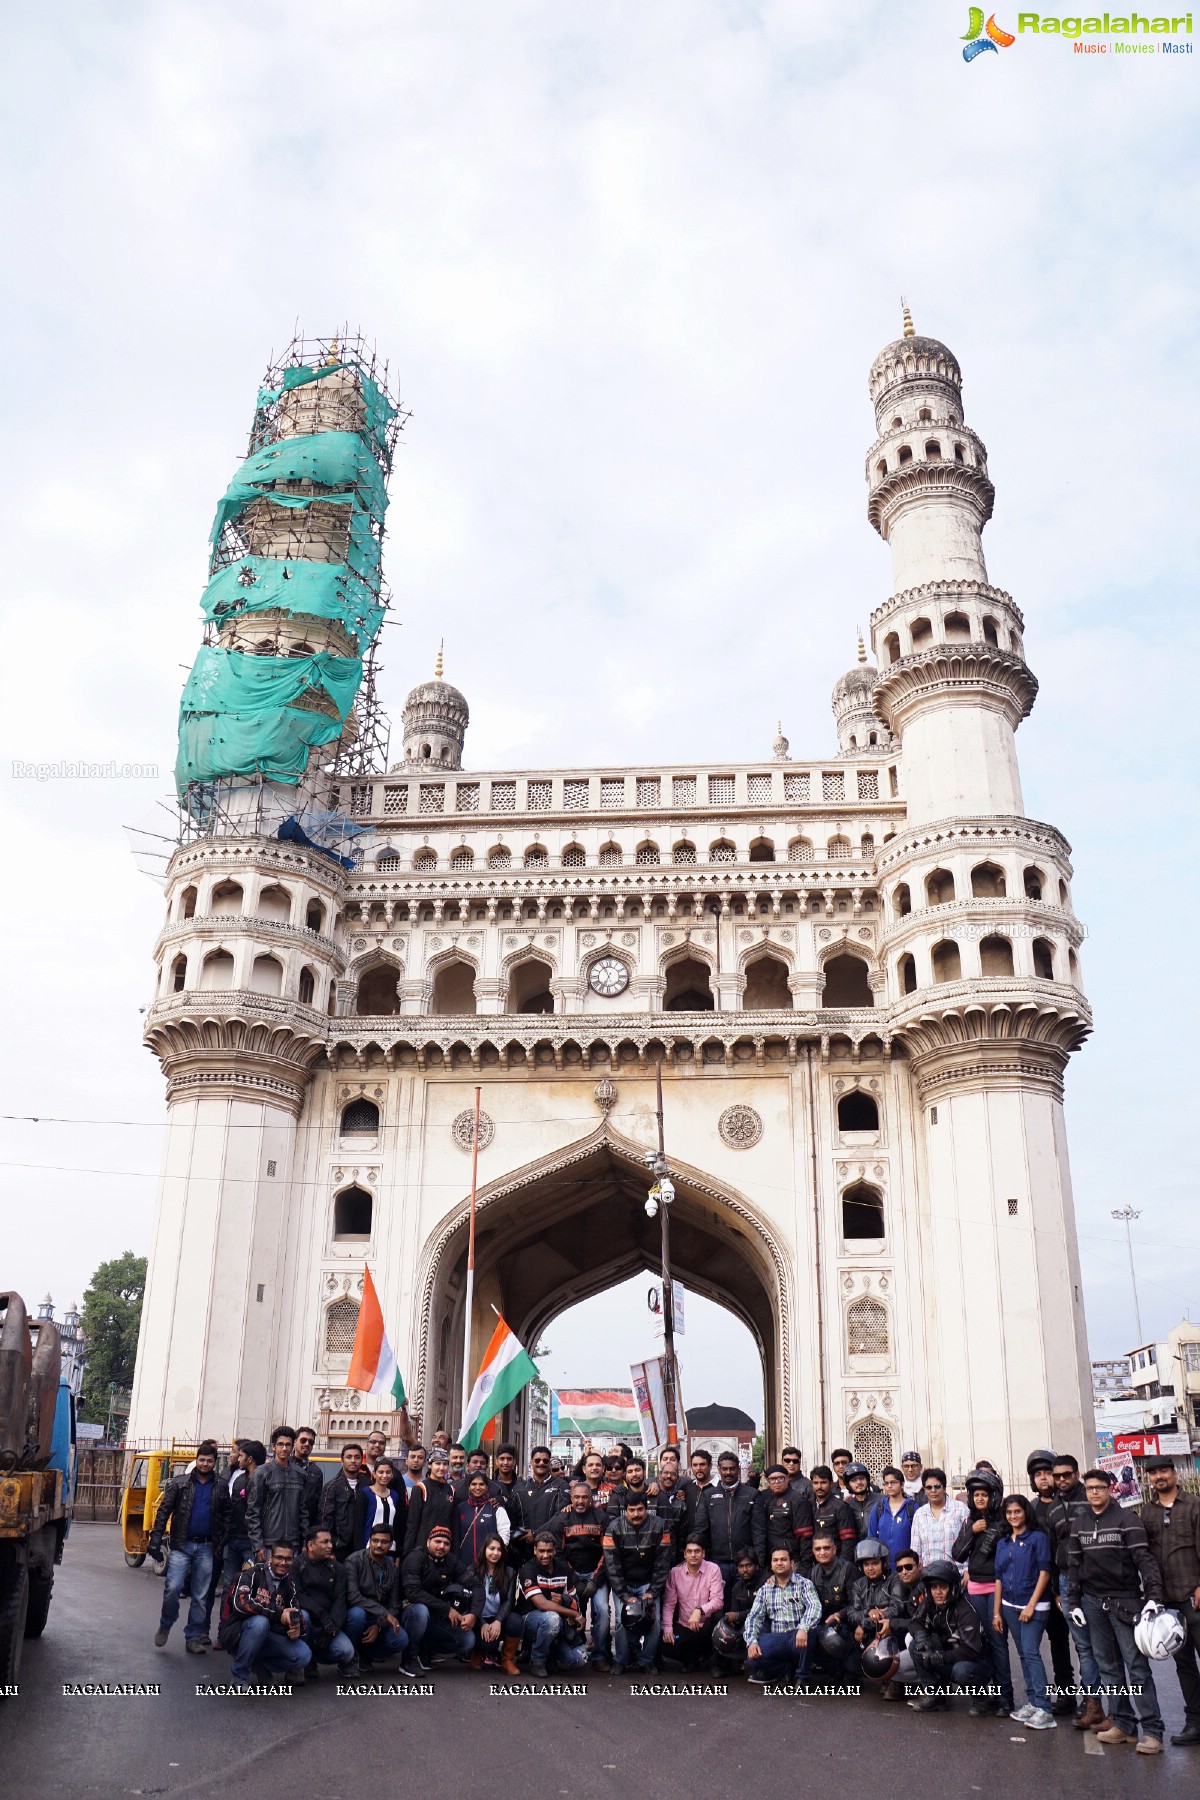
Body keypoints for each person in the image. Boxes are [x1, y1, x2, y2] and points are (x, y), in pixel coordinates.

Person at [1068, 1465, 1166, 1754]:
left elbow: (1144, 1560)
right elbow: (1074, 1566)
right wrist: (1074, 1602)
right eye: (1090, 1488)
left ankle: (1152, 1730)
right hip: (1091, 1603)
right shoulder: (1080, 1523)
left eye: (1099, 1487)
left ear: (1110, 1488)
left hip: (1125, 1602)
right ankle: (1123, 1724)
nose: (1095, 1492)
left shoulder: (1128, 1520)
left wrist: (1153, 1596)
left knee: (1136, 1667)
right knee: (1108, 1668)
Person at [1140, 1453, 1200, 1747]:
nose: (1159, 1477)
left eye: (1163, 1470)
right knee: (1185, 1664)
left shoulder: (1194, 1506)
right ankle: (1195, 1722)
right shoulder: (1148, 1513)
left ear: (1174, 1473)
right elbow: (1146, 1556)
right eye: (1154, 1473)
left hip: (1194, 1596)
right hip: (1168, 1604)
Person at [952, 1467, 1014, 1717]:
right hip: (975, 1588)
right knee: (976, 1642)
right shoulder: (970, 1521)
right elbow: (958, 1554)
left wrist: (991, 1531)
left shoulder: (1004, 1520)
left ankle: (1004, 1697)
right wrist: (972, 1532)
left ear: (994, 1496)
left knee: (998, 1642)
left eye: (984, 1494)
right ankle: (981, 1697)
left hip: (997, 1588)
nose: (979, 1499)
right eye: (976, 1494)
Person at [1049, 1452, 1105, 1727]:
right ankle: (1092, 1703)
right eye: (1056, 1476)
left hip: (1095, 1581)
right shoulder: (1054, 1509)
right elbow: (1052, 1550)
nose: (1061, 1480)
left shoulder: (1091, 1499)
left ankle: (1112, 1706)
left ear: (1076, 1474)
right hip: (1065, 1580)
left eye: (1066, 1475)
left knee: (1103, 1644)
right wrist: (1056, 1590)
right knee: (1082, 1644)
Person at [149, 1439, 220, 1653]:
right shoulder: (179, 1483)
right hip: (182, 1546)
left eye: (209, 1460)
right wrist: (155, 1539)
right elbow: (163, 1512)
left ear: (214, 1463)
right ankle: (166, 1622)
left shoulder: (220, 1487)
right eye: (202, 1460)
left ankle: (193, 1638)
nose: (205, 1464)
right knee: (173, 1588)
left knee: (200, 1595)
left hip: (207, 1548)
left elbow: (225, 1516)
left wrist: (220, 1542)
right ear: (196, 1461)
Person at [992, 1493, 1055, 1729]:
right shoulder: (1003, 1542)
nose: (1013, 1516)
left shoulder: (1038, 1538)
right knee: (1022, 1655)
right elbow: (998, 1578)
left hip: (1034, 1607)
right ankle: (1031, 1702)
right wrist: (996, 1612)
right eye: (1009, 1513)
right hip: (1009, 1606)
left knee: (1031, 1653)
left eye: (1017, 1511)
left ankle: (1045, 1708)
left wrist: (1030, 1605)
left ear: (1025, 1512)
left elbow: (1044, 1573)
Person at [1026, 1447, 1080, 1717]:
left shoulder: (1068, 1503)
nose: (1044, 1478)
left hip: (1073, 1581)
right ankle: (1066, 1694)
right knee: (1058, 1642)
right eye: (1039, 1474)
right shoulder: (1030, 1509)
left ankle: (1093, 1700)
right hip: (1043, 1586)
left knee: (1084, 1645)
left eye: (1048, 1472)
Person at [219, 1541, 311, 1689]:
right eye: (279, 1558)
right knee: (260, 1623)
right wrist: (278, 1613)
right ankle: (239, 1674)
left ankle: (259, 1664)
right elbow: (240, 1604)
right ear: (270, 1558)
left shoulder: (289, 1583)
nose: (283, 1562)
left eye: (288, 1559)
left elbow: (295, 1611)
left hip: (269, 1635)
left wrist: (297, 1628)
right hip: (238, 1634)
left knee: (303, 1655)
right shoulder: (252, 1573)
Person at [906, 1558, 991, 1711]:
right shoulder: (929, 1601)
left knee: (961, 1671)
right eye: (934, 1587)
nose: (938, 1592)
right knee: (916, 1646)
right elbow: (914, 1622)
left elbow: (972, 1650)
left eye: (943, 1587)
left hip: (976, 1663)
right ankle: (935, 1696)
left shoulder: (965, 1609)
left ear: (952, 1588)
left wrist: (941, 1658)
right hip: (949, 1655)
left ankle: (981, 1698)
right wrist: (922, 1638)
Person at [603, 1494, 674, 1677]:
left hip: (648, 1583)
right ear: (625, 1511)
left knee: (653, 1622)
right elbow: (612, 1566)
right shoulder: (614, 1528)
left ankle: (646, 1661)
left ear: (646, 1509)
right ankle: (620, 1660)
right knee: (621, 1621)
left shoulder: (659, 1526)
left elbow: (663, 1562)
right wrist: (625, 1595)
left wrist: (652, 1592)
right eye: (632, 1510)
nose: (636, 1514)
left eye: (640, 1509)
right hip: (624, 1584)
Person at [501, 1530, 587, 1679]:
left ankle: (549, 1653)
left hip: (556, 1625)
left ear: (554, 1550)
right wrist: (574, 1614)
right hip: (528, 1620)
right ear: (535, 1550)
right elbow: (542, 1604)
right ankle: (537, 1660)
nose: (545, 1555)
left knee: (580, 1659)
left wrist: (565, 1601)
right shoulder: (527, 1569)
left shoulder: (563, 1568)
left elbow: (575, 1601)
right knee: (552, 1619)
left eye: (549, 1551)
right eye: (541, 1551)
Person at [549, 1479, 612, 1671]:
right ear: (571, 1498)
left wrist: (595, 1580)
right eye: (577, 1497)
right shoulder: (562, 1519)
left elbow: (608, 1552)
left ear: (591, 1499)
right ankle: (573, 1650)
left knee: (602, 1611)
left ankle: (600, 1656)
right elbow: (558, 1555)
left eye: (585, 1497)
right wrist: (574, 1579)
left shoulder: (602, 1518)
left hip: (597, 1575)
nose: (580, 1501)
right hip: (572, 1575)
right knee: (572, 1614)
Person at [401, 1522, 478, 1667]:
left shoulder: (452, 1560)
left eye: (446, 1543)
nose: (441, 1546)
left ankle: (425, 1651)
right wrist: (447, 1609)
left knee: (468, 1641)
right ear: (428, 1542)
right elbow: (413, 1592)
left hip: (437, 1615)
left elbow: (476, 1586)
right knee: (421, 1611)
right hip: (410, 1612)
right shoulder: (415, 1558)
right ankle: (408, 1659)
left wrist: (474, 1614)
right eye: (438, 1541)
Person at [744, 1545, 821, 1686]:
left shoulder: (804, 1584)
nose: (779, 1563)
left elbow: (815, 1607)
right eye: (775, 1560)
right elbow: (754, 1617)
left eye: (783, 1559)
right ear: (771, 1565)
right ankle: (786, 1669)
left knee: (811, 1632)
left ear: (792, 1563)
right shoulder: (765, 1590)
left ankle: (802, 1677)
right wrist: (752, 1642)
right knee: (751, 1662)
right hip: (777, 1640)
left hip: (797, 1638)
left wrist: (803, 1628)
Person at [698, 1451, 765, 1599]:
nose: (728, 1472)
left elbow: (759, 1532)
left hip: (745, 1562)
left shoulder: (752, 1494)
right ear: (719, 1469)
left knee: (746, 1603)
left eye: (732, 1468)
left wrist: (758, 1562)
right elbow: (701, 1530)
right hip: (717, 1562)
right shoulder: (709, 1495)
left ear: (738, 1469)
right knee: (719, 1604)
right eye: (724, 1469)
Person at [345, 1523, 411, 1669]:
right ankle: (349, 1659)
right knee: (357, 1614)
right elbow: (353, 1597)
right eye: (375, 1540)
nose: (379, 1545)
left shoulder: (393, 1569)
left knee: (402, 1640)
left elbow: (394, 1605)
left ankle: (366, 1655)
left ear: (391, 1544)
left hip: (378, 1620)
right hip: (356, 1617)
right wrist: (385, 1614)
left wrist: (379, 1625)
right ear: (369, 1540)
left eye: (384, 1542)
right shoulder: (354, 1561)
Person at [294, 1525, 357, 1676]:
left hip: (328, 1624)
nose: (330, 1546)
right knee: (303, 1615)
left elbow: (340, 1600)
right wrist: (322, 1615)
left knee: (346, 1652)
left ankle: (315, 1656)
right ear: (310, 1545)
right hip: (309, 1622)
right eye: (325, 1542)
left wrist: (332, 1629)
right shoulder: (297, 1565)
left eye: (330, 1541)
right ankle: (305, 1661)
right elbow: (298, 1595)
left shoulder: (337, 1568)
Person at [213, 1437, 264, 1604]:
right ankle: (225, 1625)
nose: (237, 1458)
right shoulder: (238, 1481)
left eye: (240, 1455)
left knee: (250, 1585)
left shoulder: (264, 1480)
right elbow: (231, 1511)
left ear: (249, 1458)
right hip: (233, 1540)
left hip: (251, 1542)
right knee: (229, 1585)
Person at [661, 1537, 724, 1670]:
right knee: (663, 1644)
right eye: (689, 1551)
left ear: (703, 1553)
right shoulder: (675, 1573)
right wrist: (667, 1628)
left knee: (719, 1617)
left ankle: (712, 1661)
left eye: (697, 1551)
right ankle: (691, 1660)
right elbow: (669, 1604)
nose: (693, 1555)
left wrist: (699, 1610)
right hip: (685, 1626)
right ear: (684, 1554)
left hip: (707, 1626)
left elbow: (718, 1600)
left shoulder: (713, 1569)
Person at [247, 1426, 309, 1557]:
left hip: (293, 1544)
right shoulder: (261, 1473)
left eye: (288, 1445)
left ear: (292, 1446)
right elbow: (253, 1511)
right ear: (274, 1447)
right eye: (281, 1444)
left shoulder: (301, 1474)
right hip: (269, 1544)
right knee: (268, 1578)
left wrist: (305, 1542)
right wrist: (258, 1545)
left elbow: (303, 1511)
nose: (284, 1448)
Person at [807, 1530, 858, 1678]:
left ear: (834, 1549)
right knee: (805, 1635)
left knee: (852, 1677)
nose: (822, 1552)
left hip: (847, 1623)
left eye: (826, 1548)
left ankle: (848, 1670)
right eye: (818, 1549)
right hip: (822, 1623)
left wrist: (839, 1615)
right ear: (813, 1552)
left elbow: (856, 1604)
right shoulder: (812, 1573)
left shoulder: (848, 1569)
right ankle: (832, 1667)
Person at [712, 1549, 764, 1673]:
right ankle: (718, 1666)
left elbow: (763, 1611)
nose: (744, 1570)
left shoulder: (766, 1582)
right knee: (722, 1629)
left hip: (763, 1625)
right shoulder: (737, 1587)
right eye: (741, 1566)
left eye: (748, 1565)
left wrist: (738, 1615)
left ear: (757, 1566)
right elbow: (734, 1615)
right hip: (744, 1627)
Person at [910, 1467, 969, 1572]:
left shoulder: (960, 1509)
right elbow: (915, 1550)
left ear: (944, 1488)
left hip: (957, 1574)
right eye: (929, 1487)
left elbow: (970, 1542)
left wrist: (967, 1570)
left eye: (937, 1487)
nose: (933, 1491)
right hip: (929, 1576)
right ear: (924, 1490)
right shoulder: (919, 1514)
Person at [758, 1463, 815, 1570]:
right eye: (772, 1479)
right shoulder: (763, 1498)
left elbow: (805, 1536)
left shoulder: (798, 1500)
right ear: (767, 1481)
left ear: (787, 1478)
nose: (776, 1482)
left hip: (792, 1560)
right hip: (769, 1560)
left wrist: (805, 1566)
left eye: (780, 1478)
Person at [319, 1443, 370, 1561]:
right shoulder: (332, 1487)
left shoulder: (368, 1485)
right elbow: (325, 1520)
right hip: (339, 1548)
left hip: (363, 1547)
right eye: (349, 1457)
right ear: (342, 1461)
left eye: (357, 1457)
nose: (353, 1461)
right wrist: (329, 1548)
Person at [472, 1533, 516, 1668]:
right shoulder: (473, 1571)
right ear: (484, 1549)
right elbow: (470, 1603)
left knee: (516, 1621)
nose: (495, 1553)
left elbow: (508, 1601)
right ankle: (478, 1652)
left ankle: (507, 1660)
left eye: (499, 1549)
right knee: (487, 1644)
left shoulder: (509, 1572)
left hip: (498, 1619)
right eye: (492, 1548)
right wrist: (482, 1623)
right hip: (479, 1619)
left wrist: (498, 1620)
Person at [452, 1469, 512, 1563]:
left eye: (481, 1484)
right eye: (474, 1484)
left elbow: (504, 1533)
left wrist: (497, 1553)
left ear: (487, 1486)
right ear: (468, 1486)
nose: (477, 1487)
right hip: (464, 1563)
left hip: (489, 1564)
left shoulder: (495, 1507)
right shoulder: (460, 1508)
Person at [403, 1450, 455, 1553]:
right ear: (430, 1465)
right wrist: (407, 1553)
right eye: (437, 1463)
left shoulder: (451, 1490)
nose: (441, 1467)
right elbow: (412, 1524)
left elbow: (454, 1524)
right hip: (422, 1547)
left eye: (445, 1464)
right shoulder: (421, 1488)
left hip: (444, 1547)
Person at [867, 1467, 919, 1564]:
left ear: (902, 1484)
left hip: (906, 1566)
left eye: (893, 1482)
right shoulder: (878, 1507)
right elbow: (871, 1537)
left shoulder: (912, 1507)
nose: (889, 1486)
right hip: (884, 1566)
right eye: (886, 1483)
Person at [648, 1445, 688, 1557]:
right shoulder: (648, 1489)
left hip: (672, 1553)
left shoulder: (685, 1489)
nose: (669, 1476)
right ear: (660, 1475)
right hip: (649, 1552)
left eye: (673, 1474)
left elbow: (682, 1534)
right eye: (665, 1473)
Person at [809, 1464, 858, 1552]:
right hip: (814, 1561)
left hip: (836, 1560)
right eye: (816, 1483)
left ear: (831, 1484)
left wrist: (843, 1564)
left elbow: (848, 1541)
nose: (819, 1486)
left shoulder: (841, 1507)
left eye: (823, 1482)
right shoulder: (807, 1505)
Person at [681, 1448, 715, 1541]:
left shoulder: (719, 1488)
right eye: (695, 1465)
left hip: (714, 1545)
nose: (698, 1468)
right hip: (690, 1545)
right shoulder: (686, 1487)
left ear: (710, 1466)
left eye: (702, 1464)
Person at [292, 1427, 324, 1521]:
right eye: (303, 1440)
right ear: (294, 1442)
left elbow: (317, 1503)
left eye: (310, 1442)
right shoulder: (284, 1466)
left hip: (306, 1526)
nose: (307, 1444)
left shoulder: (316, 1472)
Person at [843, 1462, 882, 1539]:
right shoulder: (846, 1504)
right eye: (854, 1480)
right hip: (855, 1548)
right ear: (848, 1484)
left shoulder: (881, 1501)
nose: (859, 1482)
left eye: (861, 1478)